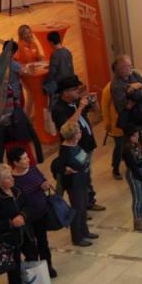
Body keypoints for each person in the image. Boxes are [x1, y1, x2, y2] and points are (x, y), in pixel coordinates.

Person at [50, 75, 104, 212]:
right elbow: (67, 127)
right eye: (74, 89)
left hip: (86, 145)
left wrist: (95, 102)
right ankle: (78, 208)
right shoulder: (58, 109)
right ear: (65, 92)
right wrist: (80, 108)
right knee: (77, 179)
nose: (78, 92)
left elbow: (98, 113)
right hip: (73, 149)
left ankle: (89, 202)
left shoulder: (77, 101)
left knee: (87, 175)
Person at [8, 148, 56, 278]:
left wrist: (45, 185)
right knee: (30, 245)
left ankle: (48, 266)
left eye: (27, 157)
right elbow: (19, 197)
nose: (28, 159)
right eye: (24, 158)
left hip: (41, 212)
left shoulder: (33, 169)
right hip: (27, 217)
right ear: (15, 163)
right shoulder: (12, 179)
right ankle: (35, 270)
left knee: (43, 242)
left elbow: (42, 181)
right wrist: (38, 188)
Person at [54, 121, 94, 246]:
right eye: (78, 131)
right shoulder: (65, 149)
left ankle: (84, 231)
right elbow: (57, 166)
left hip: (82, 180)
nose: (81, 133)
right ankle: (77, 237)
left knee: (83, 207)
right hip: (74, 184)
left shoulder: (75, 145)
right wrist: (66, 170)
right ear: (74, 135)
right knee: (77, 209)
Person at [109, 55, 142, 179]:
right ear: (120, 69)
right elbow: (126, 105)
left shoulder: (134, 75)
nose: (131, 67)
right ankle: (124, 171)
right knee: (128, 148)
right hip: (129, 120)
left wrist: (137, 87)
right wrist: (135, 91)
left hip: (141, 115)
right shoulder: (116, 85)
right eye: (129, 65)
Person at [120, 126, 142, 232]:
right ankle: (137, 222)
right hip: (133, 174)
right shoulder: (126, 149)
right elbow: (132, 166)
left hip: (140, 172)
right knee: (137, 198)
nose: (137, 137)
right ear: (129, 137)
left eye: (137, 135)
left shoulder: (138, 144)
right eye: (134, 136)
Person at [42, 31, 74, 103]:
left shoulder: (55, 54)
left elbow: (52, 73)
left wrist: (46, 81)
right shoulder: (67, 51)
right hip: (70, 82)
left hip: (60, 85)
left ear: (51, 43)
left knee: (44, 84)